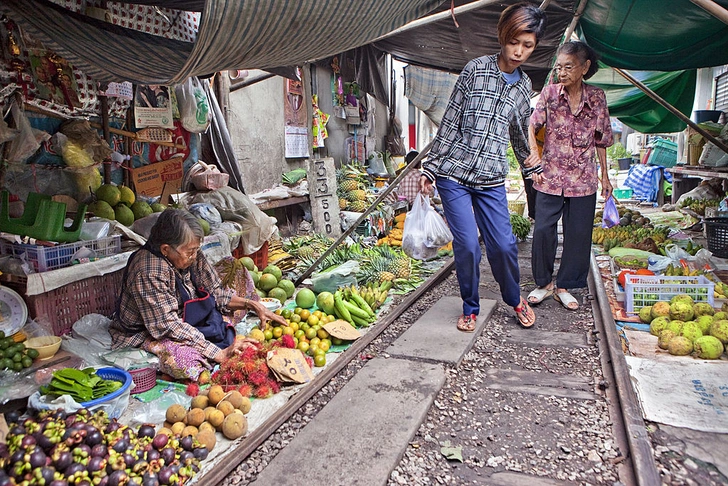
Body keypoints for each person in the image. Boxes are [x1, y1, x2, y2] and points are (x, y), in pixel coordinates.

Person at [420, 3, 546, 332]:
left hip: (490, 178)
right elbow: (450, 122)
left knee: (504, 245)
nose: (519, 52)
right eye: (514, 42)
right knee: (467, 245)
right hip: (454, 176)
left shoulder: (523, 88)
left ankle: (514, 298)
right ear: (503, 36)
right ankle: (470, 305)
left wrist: (532, 171)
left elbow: (520, 134)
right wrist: (430, 169)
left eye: (528, 46)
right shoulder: (475, 70)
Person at [109, 209, 286, 380]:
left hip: (187, 318)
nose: (195, 256)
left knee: (235, 268)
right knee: (185, 361)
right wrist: (219, 353)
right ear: (165, 249)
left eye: (196, 250)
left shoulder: (190, 254)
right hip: (152, 331)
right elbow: (168, 326)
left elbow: (216, 291)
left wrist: (253, 305)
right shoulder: (148, 270)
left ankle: (220, 336)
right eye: (190, 252)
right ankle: (218, 344)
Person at [526, 41, 614, 310]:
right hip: (549, 176)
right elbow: (532, 125)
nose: (562, 72)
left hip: (583, 178)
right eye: (559, 67)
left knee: (578, 233)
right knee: (542, 229)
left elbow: (600, 139)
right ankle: (543, 283)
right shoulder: (551, 94)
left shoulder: (597, 97)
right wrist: (535, 157)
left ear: (585, 67)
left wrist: (606, 177)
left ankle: (565, 285)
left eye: (569, 67)